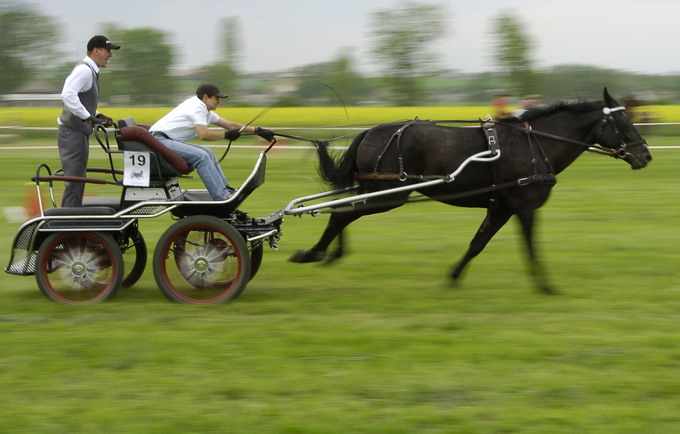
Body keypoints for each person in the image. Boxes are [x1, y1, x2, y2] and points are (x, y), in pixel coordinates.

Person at [149, 83, 274, 201]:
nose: (219, 102)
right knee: (201, 156)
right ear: (206, 97)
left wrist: (258, 130)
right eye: (216, 98)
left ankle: (225, 190)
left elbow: (230, 125)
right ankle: (222, 197)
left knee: (208, 152)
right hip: (159, 141)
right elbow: (203, 134)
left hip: (166, 140)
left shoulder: (205, 111)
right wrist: (226, 135)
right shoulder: (197, 107)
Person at [58, 35, 120, 207]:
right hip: (73, 133)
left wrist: (97, 116)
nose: (111, 55)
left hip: (76, 133)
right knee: (75, 182)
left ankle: (71, 224)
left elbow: (81, 100)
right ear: (96, 51)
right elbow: (67, 94)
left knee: (77, 182)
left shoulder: (90, 71)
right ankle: (67, 227)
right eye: (108, 51)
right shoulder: (84, 70)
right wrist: (88, 118)